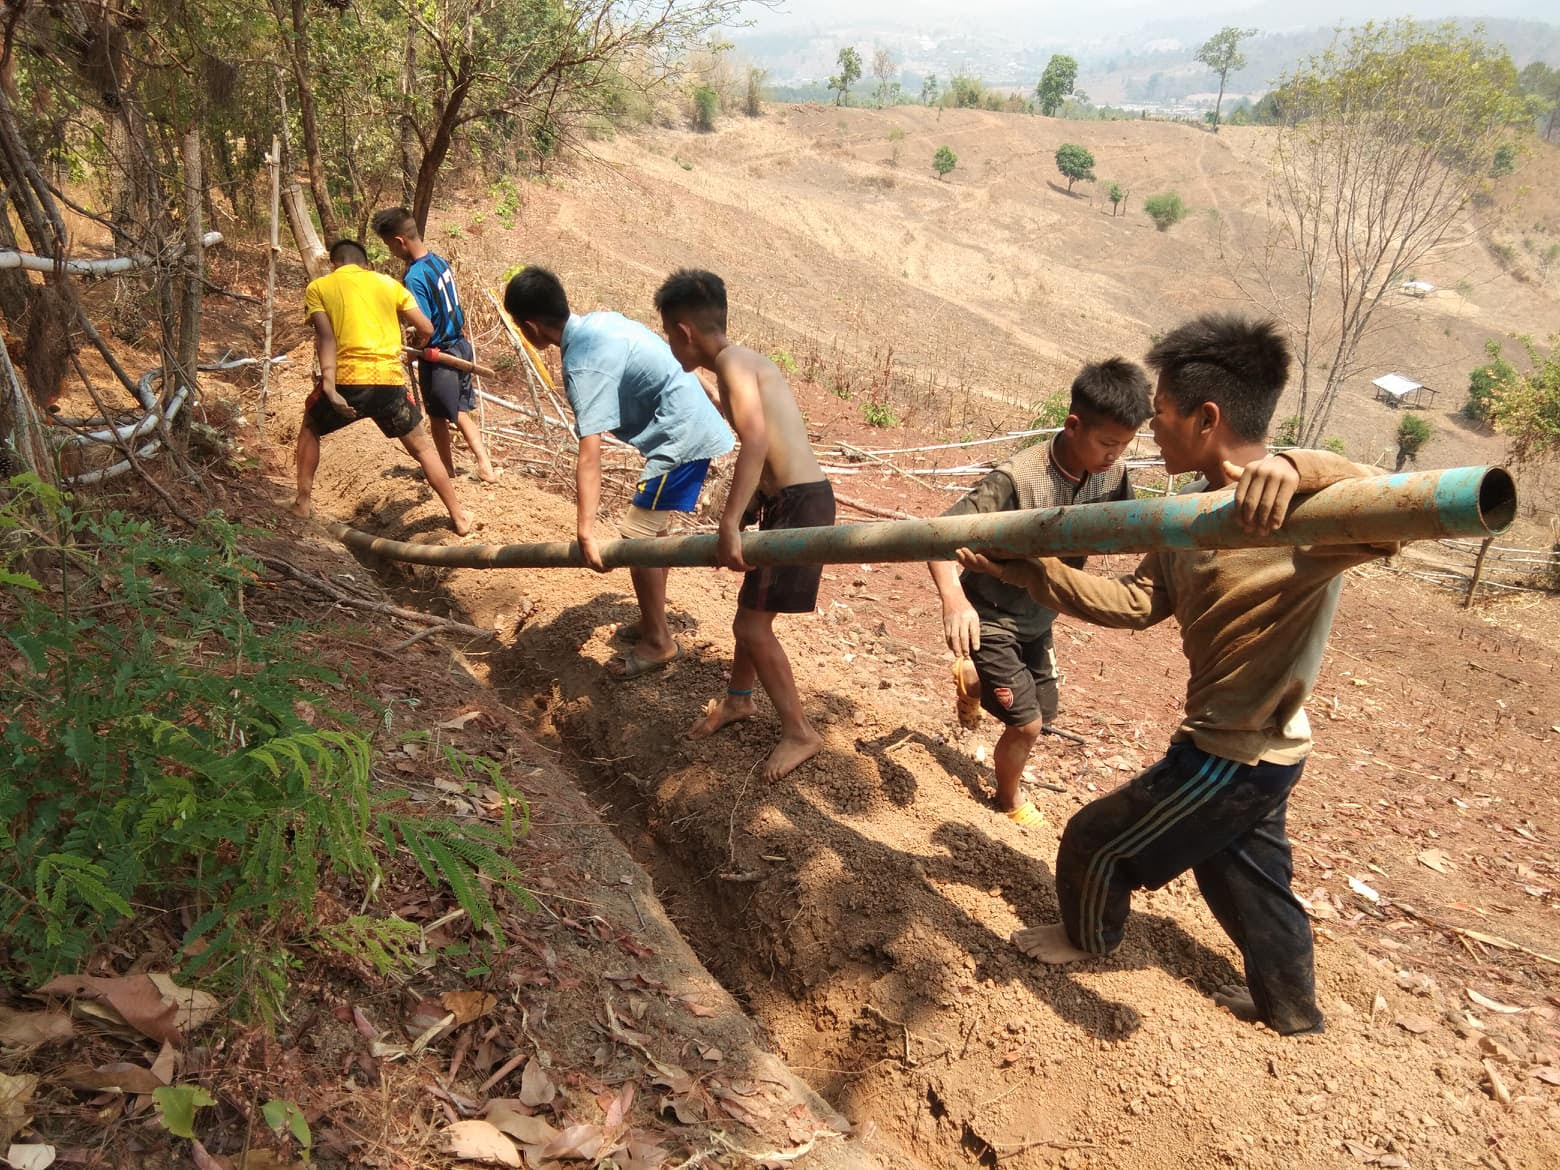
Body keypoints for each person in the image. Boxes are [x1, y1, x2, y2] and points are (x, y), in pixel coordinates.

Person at [957, 313, 1395, 1037]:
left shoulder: (1306, 510)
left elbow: (1399, 505)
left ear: (1207, 417)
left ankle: (1085, 939)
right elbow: (1135, 603)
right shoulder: (1186, 514)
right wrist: (1034, 574)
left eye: (1160, 416)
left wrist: (1299, 466)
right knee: (1245, 879)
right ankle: (1292, 1011)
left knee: (1095, 844)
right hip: (1266, 747)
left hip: (1237, 748)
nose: (1151, 433)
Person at [928, 359, 1152, 826]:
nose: (1115, 455)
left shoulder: (1112, 475)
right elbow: (937, 538)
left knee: (1044, 712)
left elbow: (1125, 524)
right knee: (1025, 724)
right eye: (1107, 443)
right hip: (990, 612)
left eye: (1124, 445)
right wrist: (955, 599)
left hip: (1039, 614)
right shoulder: (1017, 480)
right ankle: (1007, 801)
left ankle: (973, 682)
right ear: (1073, 425)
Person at [502, 266, 734, 678]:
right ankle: (652, 622)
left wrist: (585, 530)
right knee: (653, 533)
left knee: (636, 537)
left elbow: (590, 453)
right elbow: (661, 353)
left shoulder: (583, 366)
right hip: (685, 422)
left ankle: (659, 642)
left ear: (532, 327)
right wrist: (709, 393)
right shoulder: (601, 321)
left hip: (681, 437)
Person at [654, 269, 834, 782]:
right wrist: (752, 503)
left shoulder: (733, 364)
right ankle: (738, 699)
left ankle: (800, 731)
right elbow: (771, 447)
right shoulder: (745, 363)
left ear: (684, 331)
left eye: (669, 334)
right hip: (791, 501)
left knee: (751, 624)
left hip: (801, 505)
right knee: (749, 610)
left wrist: (730, 522)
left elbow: (754, 441)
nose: (671, 344)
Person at [292, 239, 472, 535]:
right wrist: (418, 343)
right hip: (389, 382)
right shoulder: (389, 284)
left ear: (335, 264)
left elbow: (325, 338)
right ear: (366, 264)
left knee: (311, 425)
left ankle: (303, 502)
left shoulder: (319, 287)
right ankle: (459, 516)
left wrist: (329, 386)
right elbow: (426, 328)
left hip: (347, 380)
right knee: (424, 448)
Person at [371, 207, 498, 484]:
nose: (391, 252)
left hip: (440, 355)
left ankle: (447, 469)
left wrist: (416, 347)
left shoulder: (414, 277)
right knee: (461, 411)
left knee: (439, 415)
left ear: (399, 241)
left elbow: (425, 326)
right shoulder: (439, 262)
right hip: (460, 346)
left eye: (388, 246)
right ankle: (484, 464)